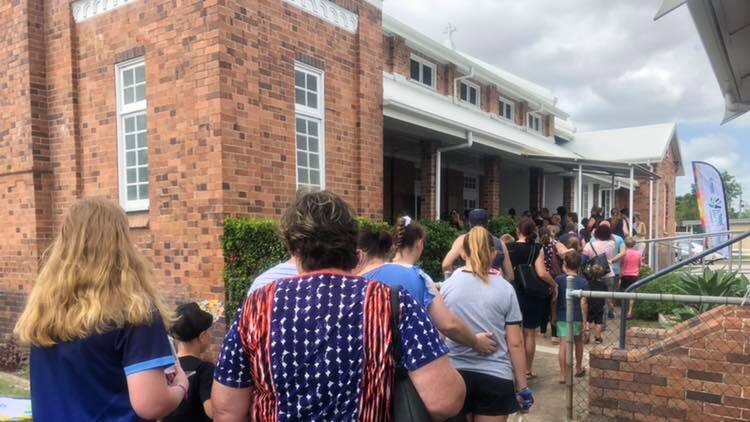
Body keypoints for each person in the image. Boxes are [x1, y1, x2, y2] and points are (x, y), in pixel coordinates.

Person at [212, 191, 466, 421]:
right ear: (351, 244)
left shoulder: (256, 308)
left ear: (293, 246)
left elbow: (227, 410)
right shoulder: (391, 303)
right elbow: (445, 401)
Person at [14, 198, 188, 422]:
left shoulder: (44, 311)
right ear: (121, 242)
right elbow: (151, 404)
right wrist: (181, 386)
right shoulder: (135, 312)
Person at [442, 227, 534, 421]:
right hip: (495, 377)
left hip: (454, 375)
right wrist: (522, 387)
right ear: (493, 254)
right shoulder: (506, 289)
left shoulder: (448, 287)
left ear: (462, 252)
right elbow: (515, 343)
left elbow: (440, 334)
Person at [357, 227, 497, 355]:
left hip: (363, 361)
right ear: (419, 244)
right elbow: (448, 324)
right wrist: (475, 342)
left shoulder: (357, 278)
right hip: (406, 362)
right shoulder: (419, 277)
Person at [507, 218, 555, 379]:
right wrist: (554, 284)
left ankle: (512, 368)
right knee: (529, 333)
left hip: (512, 293)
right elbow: (541, 273)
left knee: (512, 333)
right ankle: (527, 370)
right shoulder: (537, 248)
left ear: (518, 230)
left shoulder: (508, 248)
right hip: (531, 295)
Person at [165, 303, 215, 422]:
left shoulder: (168, 367)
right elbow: (212, 411)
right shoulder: (205, 369)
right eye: (208, 331)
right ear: (202, 336)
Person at [442, 209, 514, 281]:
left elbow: (446, 265)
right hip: (491, 286)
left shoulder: (462, 240)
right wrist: (498, 285)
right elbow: (510, 276)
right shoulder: (500, 243)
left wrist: (454, 282)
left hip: (466, 285)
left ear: (469, 223)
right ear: (488, 223)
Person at [555, 251, 589, 383]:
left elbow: (555, 299)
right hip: (576, 316)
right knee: (578, 341)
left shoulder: (559, 279)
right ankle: (578, 368)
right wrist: (585, 322)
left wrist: (553, 314)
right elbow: (584, 303)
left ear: (565, 263)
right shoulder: (583, 281)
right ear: (579, 265)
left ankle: (563, 375)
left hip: (563, 315)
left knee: (563, 344)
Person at [582, 222, 623, 321]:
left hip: (594, 275)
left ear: (597, 233)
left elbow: (583, 258)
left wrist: (593, 235)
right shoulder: (611, 244)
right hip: (608, 273)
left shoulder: (589, 245)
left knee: (593, 298)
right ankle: (604, 319)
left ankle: (592, 319)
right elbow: (612, 239)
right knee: (607, 297)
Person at [539, 226, 568, 344]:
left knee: (544, 304)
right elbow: (565, 255)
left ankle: (542, 330)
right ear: (552, 234)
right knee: (554, 306)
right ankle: (555, 335)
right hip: (556, 278)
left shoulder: (538, 246)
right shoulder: (557, 244)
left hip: (543, 278)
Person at [620, 237, 643, 320]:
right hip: (634, 275)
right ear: (634, 244)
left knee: (624, 293)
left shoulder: (623, 253)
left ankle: (624, 311)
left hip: (625, 275)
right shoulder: (638, 254)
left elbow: (621, 263)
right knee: (632, 294)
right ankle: (630, 312)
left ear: (625, 244)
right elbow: (640, 264)